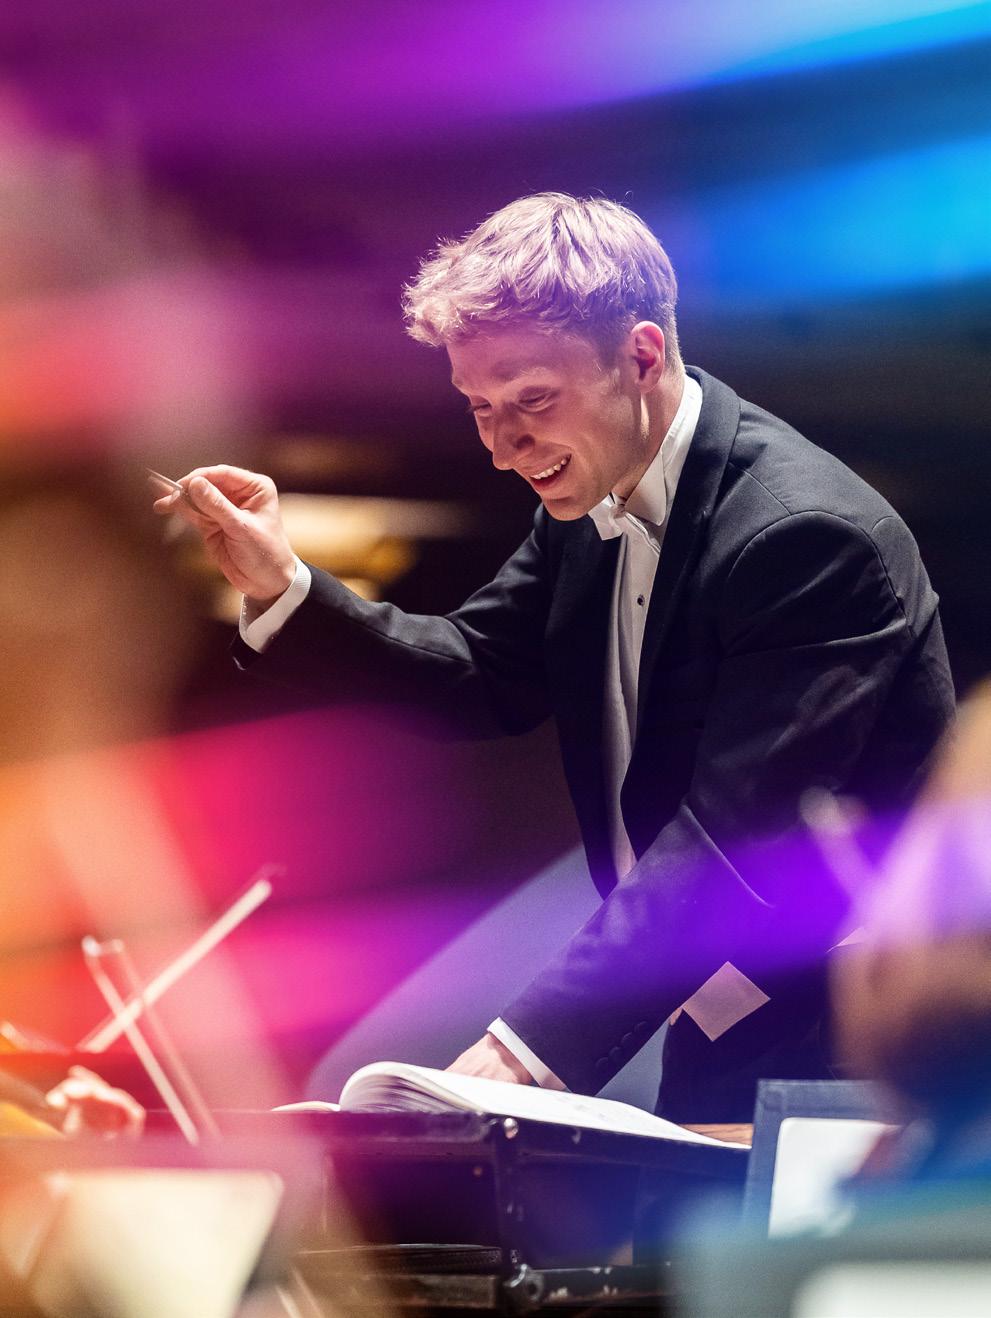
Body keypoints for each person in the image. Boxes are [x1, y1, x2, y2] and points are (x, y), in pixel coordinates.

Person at [154, 193, 954, 1122]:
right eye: (479, 408)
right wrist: (282, 586)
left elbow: (729, 848)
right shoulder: (588, 504)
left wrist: (517, 1055)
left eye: (532, 400)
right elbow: (475, 674)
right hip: (723, 1014)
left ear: (642, 356)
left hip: (868, 1039)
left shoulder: (804, 535)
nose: (502, 448)